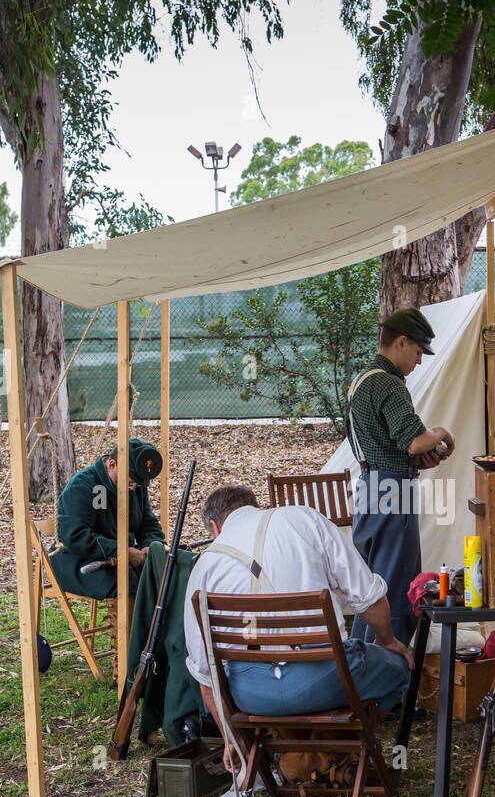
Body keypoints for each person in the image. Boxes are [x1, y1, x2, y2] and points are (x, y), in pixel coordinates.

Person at [183, 484, 413, 746]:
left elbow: (204, 675)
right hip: (325, 679)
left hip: (250, 696)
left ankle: (299, 752)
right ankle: (341, 745)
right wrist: (386, 640)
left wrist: (232, 743)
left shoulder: (204, 566)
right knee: (398, 667)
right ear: (255, 506)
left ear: (215, 527)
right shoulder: (303, 519)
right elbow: (369, 596)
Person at [345, 306, 455, 645]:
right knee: (397, 588)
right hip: (393, 490)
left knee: (372, 585)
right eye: (418, 352)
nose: (419, 361)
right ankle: (385, 680)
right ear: (401, 342)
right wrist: (442, 433)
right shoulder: (389, 384)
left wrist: (417, 460)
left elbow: (385, 443)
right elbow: (413, 441)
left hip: (369, 488)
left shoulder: (360, 382)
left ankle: (359, 666)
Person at [49, 438, 165, 599]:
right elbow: (75, 536)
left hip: (117, 560)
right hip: (75, 561)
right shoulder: (83, 486)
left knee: (164, 577)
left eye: (137, 485)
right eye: (130, 482)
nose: (133, 488)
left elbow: (148, 525)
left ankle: (154, 625)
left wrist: (151, 547)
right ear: (111, 465)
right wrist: (121, 551)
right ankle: (128, 625)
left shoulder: (135, 488)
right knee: (129, 585)